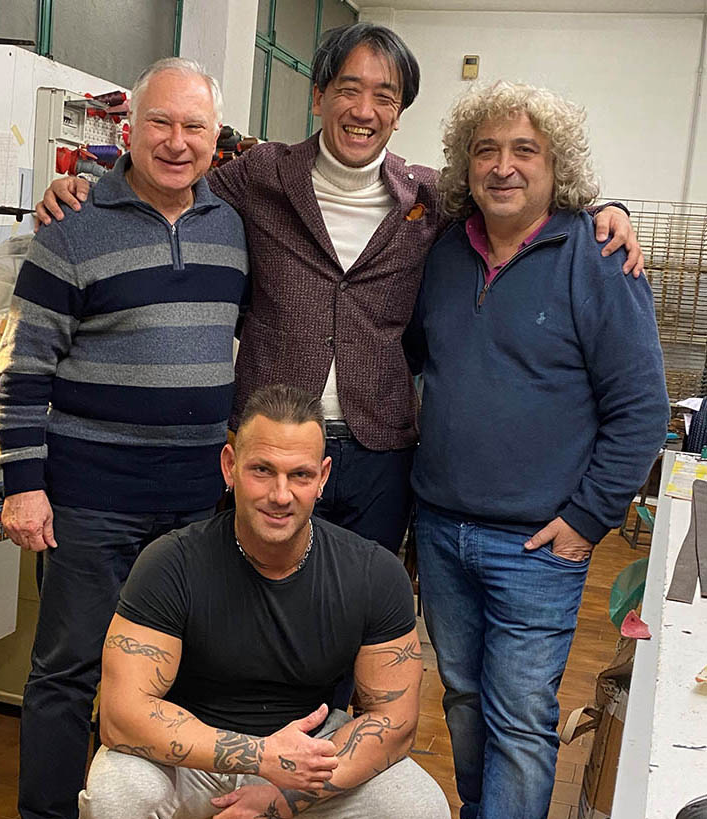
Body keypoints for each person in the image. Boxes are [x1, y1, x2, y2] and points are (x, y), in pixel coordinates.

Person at [36, 23, 643, 556]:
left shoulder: (429, 199)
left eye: (386, 96)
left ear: (399, 113)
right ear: (319, 96)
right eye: (350, 89)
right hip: (270, 446)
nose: (364, 110)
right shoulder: (260, 176)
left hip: (380, 452)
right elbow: (174, 176)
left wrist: (600, 211)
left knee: (357, 614)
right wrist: (89, 187)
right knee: (254, 609)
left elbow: (513, 198)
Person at [405, 81, 670, 819]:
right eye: (486, 149)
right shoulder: (444, 253)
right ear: (466, 164)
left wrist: (586, 519)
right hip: (441, 527)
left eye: (526, 150)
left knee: (520, 712)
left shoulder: (599, 257)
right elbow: (423, 359)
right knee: (461, 696)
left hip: (537, 545)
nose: (504, 166)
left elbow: (642, 409)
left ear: (558, 168)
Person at [0, 58, 249, 819]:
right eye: (160, 123)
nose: (176, 142)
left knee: (171, 673)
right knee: (68, 669)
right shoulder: (72, 227)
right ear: (129, 130)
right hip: (89, 499)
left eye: (194, 126)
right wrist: (24, 484)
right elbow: (22, 369)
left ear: (215, 136)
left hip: (195, 504)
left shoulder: (232, 226)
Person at [77, 383, 451, 819]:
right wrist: (261, 755)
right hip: (192, 749)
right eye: (262, 470)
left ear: (323, 477)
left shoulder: (373, 572)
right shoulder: (171, 562)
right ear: (229, 466)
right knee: (115, 803)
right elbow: (120, 717)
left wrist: (283, 800)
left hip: (309, 754)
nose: (280, 494)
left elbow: (395, 722)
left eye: (300, 475)